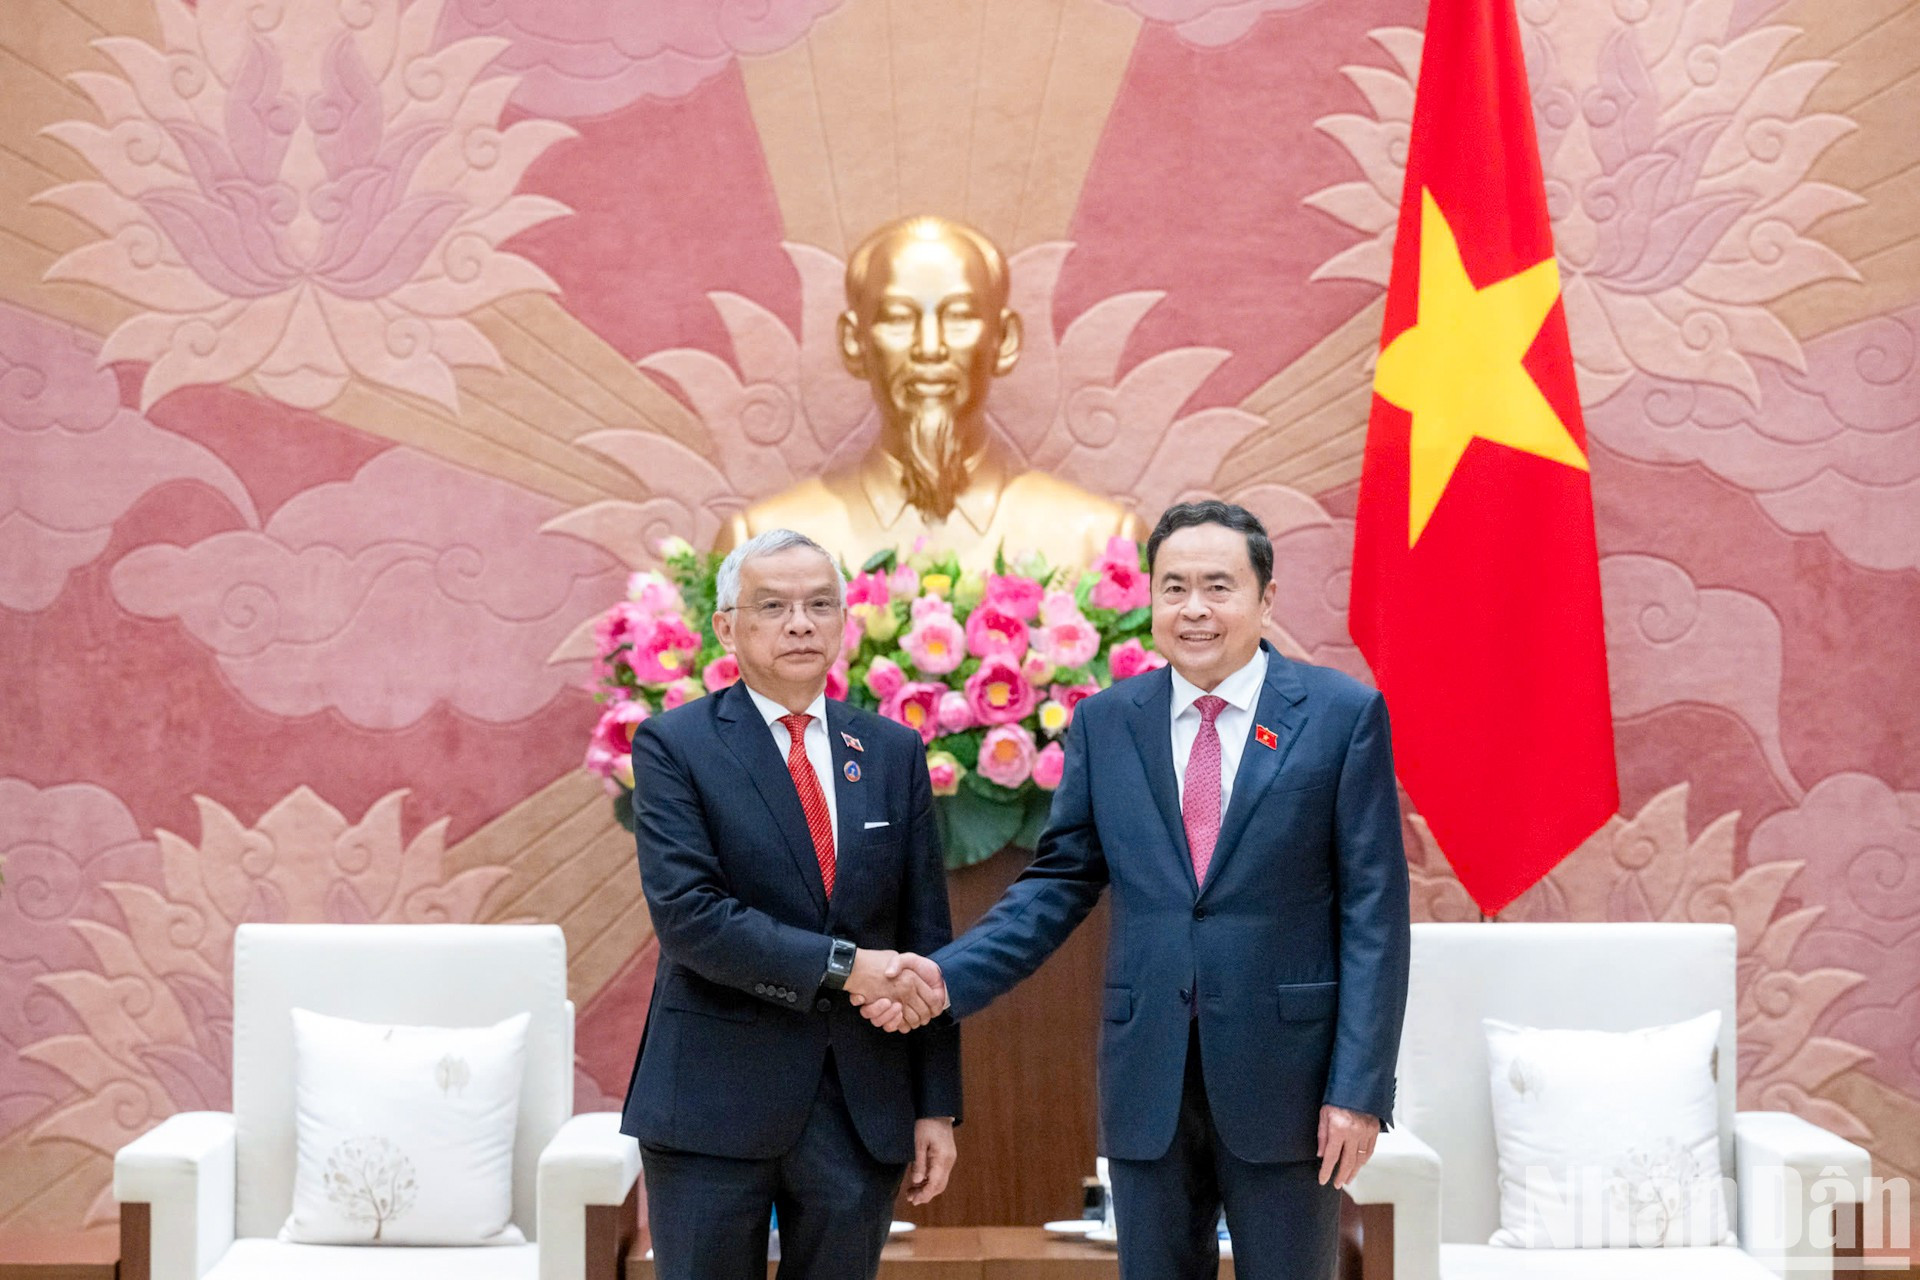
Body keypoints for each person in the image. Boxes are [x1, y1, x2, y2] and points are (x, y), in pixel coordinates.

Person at [858, 501, 1411, 1280]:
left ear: (1266, 599)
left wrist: (1357, 1090)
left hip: (1288, 1084)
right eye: (1173, 587)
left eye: (1218, 586)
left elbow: (1374, 918)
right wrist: (945, 978)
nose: (1194, 609)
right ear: (1150, 599)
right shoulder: (1109, 723)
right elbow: (1057, 884)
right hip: (1147, 1074)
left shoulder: (1339, 716)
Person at [619, 528, 960, 1280]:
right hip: (711, 1101)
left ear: (845, 621)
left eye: (818, 605)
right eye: (772, 605)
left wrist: (936, 1104)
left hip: (858, 1106)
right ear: (727, 627)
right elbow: (691, 918)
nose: (799, 623)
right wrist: (848, 969)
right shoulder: (676, 746)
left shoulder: (893, 751)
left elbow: (924, 937)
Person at [717, 214, 1144, 572]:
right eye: (898, 319)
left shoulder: (1103, 543)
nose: (929, 347)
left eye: (958, 316)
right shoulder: (759, 548)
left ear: (1006, 339)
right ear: (853, 342)